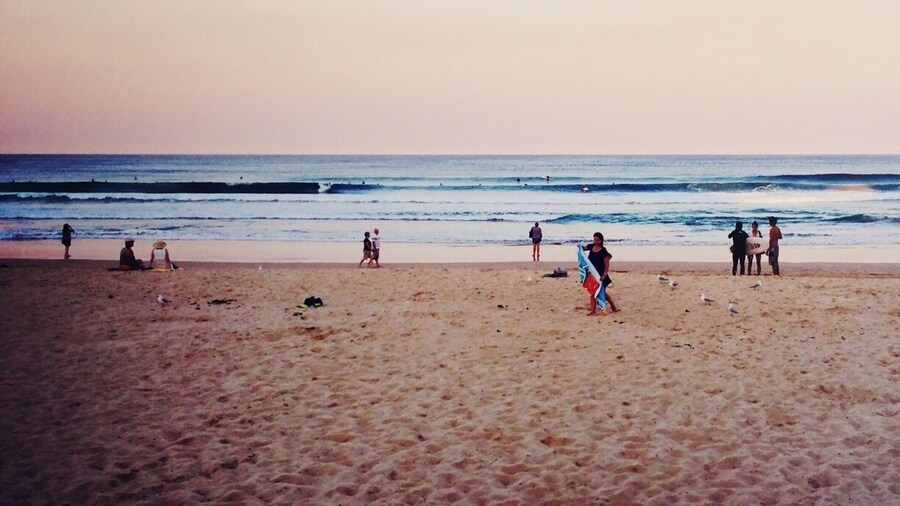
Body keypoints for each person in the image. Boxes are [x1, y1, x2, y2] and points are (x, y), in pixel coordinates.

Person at [582, 232, 619, 315]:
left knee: (601, 293)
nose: (595, 241)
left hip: (601, 274)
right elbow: (584, 248)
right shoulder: (591, 246)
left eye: (597, 240)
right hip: (592, 274)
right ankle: (593, 310)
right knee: (592, 292)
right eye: (594, 239)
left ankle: (613, 306)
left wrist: (604, 274)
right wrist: (579, 248)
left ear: (601, 240)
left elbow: (606, 263)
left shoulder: (603, 250)